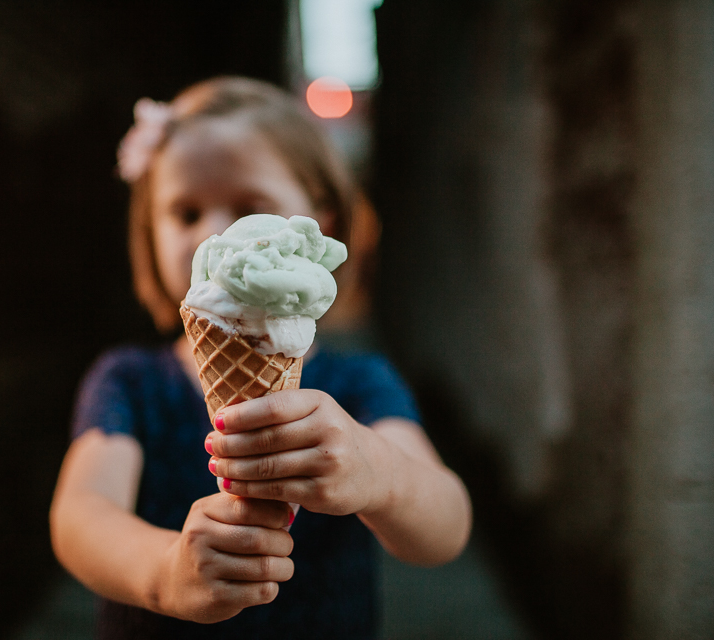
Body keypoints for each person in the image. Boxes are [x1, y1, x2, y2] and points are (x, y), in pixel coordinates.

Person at [49, 76, 472, 639]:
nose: (215, 239)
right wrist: (165, 572)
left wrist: (380, 472)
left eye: (251, 209)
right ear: (147, 229)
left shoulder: (359, 385)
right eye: (186, 213)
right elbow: (81, 518)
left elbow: (447, 526)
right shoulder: (128, 381)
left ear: (319, 225)